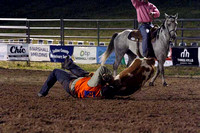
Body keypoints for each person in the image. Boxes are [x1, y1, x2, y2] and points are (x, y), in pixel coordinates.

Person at [37, 56, 115, 99]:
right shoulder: (99, 95)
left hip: (71, 83)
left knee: (55, 71)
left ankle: (42, 92)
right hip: (77, 89)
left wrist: (112, 77)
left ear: (103, 86)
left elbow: (102, 68)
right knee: (84, 74)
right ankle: (70, 65)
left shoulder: (94, 85)